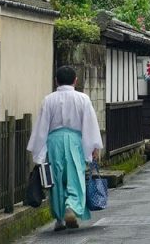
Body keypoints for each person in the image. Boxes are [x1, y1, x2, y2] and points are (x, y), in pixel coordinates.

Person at [27, 66, 104, 232]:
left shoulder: (48, 100)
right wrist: (94, 147)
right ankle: (71, 206)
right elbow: (89, 124)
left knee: (56, 180)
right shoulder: (83, 99)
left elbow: (42, 126)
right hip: (75, 141)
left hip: (53, 141)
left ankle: (60, 219)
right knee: (75, 176)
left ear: (56, 81)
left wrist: (39, 153)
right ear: (75, 80)